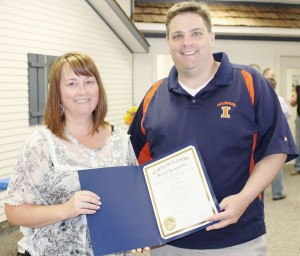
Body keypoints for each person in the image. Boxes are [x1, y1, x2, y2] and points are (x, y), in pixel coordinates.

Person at [128, 2, 298, 256]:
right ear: (168, 41)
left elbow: (276, 150)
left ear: (211, 36)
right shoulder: (154, 95)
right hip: (170, 243)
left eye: (196, 33)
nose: (187, 42)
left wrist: (243, 199)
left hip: (238, 239)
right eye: (178, 35)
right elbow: (133, 162)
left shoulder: (250, 83)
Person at [4, 52, 138, 256]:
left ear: (99, 88)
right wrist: (65, 209)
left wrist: (138, 234)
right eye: (72, 83)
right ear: (57, 93)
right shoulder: (41, 143)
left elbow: (133, 200)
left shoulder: (120, 140)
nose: (82, 91)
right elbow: (13, 211)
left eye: (89, 81)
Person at [265, 77, 291, 200]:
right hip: (276, 135)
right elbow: (288, 114)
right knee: (276, 163)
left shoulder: (259, 97)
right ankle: (277, 192)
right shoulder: (279, 99)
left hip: (261, 135)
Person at [290, 81, 300, 175]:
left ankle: (298, 167)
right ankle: (298, 166)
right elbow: (293, 103)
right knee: (299, 143)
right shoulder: (298, 88)